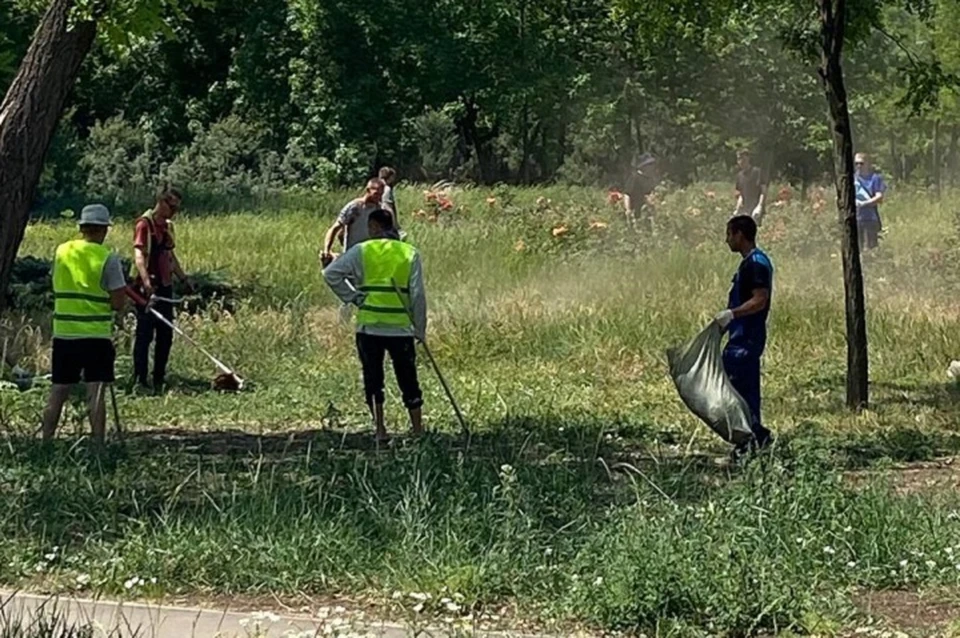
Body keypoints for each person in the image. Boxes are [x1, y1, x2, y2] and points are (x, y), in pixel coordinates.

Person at [322, 208, 427, 443]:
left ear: (374, 227)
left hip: (369, 327)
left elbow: (331, 274)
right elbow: (418, 296)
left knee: (373, 378)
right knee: (408, 378)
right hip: (400, 328)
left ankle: (380, 430)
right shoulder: (410, 253)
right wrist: (420, 329)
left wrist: (353, 297)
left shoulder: (361, 250)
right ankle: (417, 428)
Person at [42, 205, 128, 447]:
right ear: (103, 230)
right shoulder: (107, 258)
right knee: (96, 391)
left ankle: (45, 442)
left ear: (81, 228)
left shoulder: (61, 251)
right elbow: (118, 302)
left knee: (58, 390)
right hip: (95, 335)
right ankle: (98, 445)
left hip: (64, 333)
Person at [714, 215, 774, 456]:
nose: (727, 240)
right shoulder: (750, 262)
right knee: (739, 392)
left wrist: (733, 314)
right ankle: (752, 440)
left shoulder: (756, 263)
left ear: (740, 234)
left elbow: (760, 299)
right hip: (739, 338)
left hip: (746, 340)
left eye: (729, 234)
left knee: (741, 394)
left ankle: (754, 441)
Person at [131, 187, 192, 392]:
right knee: (145, 335)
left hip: (165, 286)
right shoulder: (144, 224)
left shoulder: (167, 227)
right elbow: (139, 256)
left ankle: (159, 378)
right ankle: (140, 379)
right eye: (171, 206)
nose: (173, 211)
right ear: (161, 201)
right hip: (147, 288)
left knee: (166, 335)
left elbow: (170, 257)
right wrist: (146, 282)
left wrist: (183, 278)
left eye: (177, 208)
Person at [320, 178, 386, 265]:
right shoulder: (355, 207)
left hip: (370, 255)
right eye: (376, 194)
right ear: (368, 190)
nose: (378, 197)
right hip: (352, 254)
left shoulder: (379, 210)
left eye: (381, 194)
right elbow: (335, 228)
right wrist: (327, 250)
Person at [854, 152, 886, 251]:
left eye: (861, 163)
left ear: (868, 163)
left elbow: (879, 197)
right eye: (856, 163)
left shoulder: (875, 178)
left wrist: (863, 204)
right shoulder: (852, 178)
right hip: (854, 218)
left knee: (871, 248)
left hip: (870, 218)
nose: (859, 166)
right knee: (856, 249)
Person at [622, 153, 658, 229]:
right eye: (650, 165)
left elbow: (650, 193)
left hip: (647, 213)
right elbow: (627, 194)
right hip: (636, 213)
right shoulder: (635, 178)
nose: (652, 167)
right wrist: (628, 210)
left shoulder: (649, 179)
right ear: (643, 166)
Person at [734, 150, 766, 224]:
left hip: (756, 212)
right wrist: (737, 209)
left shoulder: (757, 172)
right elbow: (741, 195)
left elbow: (763, 192)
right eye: (739, 159)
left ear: (748, 159)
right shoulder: (739, 176)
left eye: (743, 159)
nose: (741, 161)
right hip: (745, 212)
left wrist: (759, 206)